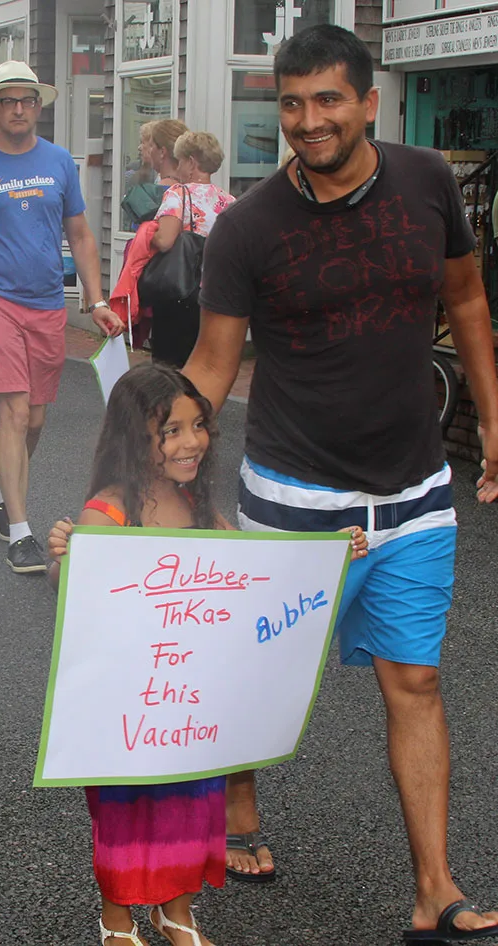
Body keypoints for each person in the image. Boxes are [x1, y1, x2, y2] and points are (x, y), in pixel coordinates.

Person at [185, 24, 498, 942]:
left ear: (369, 101)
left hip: (415, 494)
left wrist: (492, 419)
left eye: (327, 100)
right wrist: (143, 463)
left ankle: (435, 889)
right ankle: (239, 802)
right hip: (293, 499)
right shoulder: (248, 228)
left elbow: (466, 299)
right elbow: (212, 364)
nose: (308, 120)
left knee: (416, 680)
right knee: (259, 676)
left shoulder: (428, 182)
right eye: (291, 103)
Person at [47, 363, 367, 946]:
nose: (191, 441)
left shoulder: (198, 508)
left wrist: (328, 554)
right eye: (171, 430)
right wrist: (62, 559)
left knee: (192, 809)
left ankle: (177, 913)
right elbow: (77, 594)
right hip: (130, 711)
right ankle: (116, 920)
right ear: (133, 436)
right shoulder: (108, 512)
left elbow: (257, 571)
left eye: (198, 425)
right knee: (126, 811)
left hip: (192, 707)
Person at [0, 60, 123, 574]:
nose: (19, 109)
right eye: (9, 100)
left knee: (35, 418)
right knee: (14, 413)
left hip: (47, 302)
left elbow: (80, 234)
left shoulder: (59, 162)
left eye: (28, 100)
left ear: (39, 106)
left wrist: (96, 300)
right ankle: (20, 532)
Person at [146, 131, 235, 366]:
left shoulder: (178, 194)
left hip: (182, 293)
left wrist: (148, 232)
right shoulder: (229, 201)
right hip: (216, 295)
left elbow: (165, 240)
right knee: (205, 365)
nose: (178, 168)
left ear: (192, 162)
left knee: (171, 368)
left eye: (181, 161)